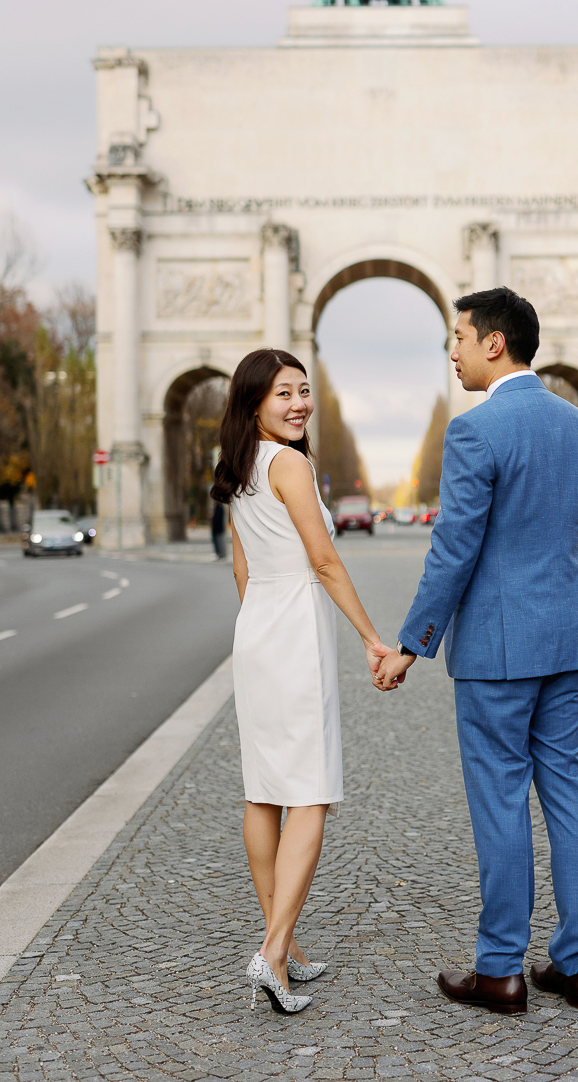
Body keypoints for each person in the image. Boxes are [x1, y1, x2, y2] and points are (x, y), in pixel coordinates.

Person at [374, 287, 578, 1016]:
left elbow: (453, 551)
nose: (452, 351)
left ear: (493, 344)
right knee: (567, 790)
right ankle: (575, 966)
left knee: (501, 800)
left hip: (497, 653)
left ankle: (501, 970)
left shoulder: (476, 432)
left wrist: (412, 643)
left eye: (458, 338)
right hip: (565, 641)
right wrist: (564, 616)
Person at [211, 349, 394, 1015]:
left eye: (304, 391)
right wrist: (373, 638)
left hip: (256, 628)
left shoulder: (235, 467)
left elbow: (240, 567)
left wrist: (256, 628)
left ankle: (281, 948)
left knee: (263, 795)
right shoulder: (289, 463)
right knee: (309, 796)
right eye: (284, 393)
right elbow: (322, 558)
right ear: (254, 402)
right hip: (293, 631)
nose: (298, 404)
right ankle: (272, 951)